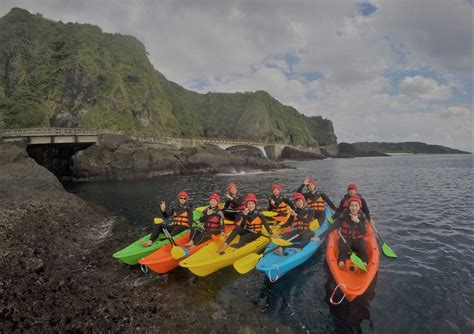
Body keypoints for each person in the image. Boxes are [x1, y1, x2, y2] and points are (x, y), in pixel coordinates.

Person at [314, 196, 368, 269]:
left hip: (357, 239)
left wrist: (358, 221)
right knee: (343, 249)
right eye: (352, 205)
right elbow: (333, 227)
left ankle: (364, 263)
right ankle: (341, 262)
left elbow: (363, 232)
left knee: (363, 248)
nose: (354, 208)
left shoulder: (362, 217)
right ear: (349, 206)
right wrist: (320, 237)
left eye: (356, 206)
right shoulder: (344, 215)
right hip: (345, 239)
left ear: (359, 207)